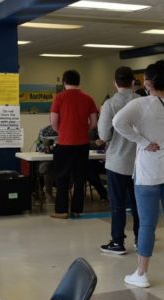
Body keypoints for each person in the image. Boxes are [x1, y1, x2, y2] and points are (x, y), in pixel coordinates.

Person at [113, 59, 164, 288]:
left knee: (147, 224)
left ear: (147, 82)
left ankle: (142, 273)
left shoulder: (141, 104)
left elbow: (118, 122)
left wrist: (142, 142)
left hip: (148, 171)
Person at [98, 66, 141, 255]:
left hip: (116, 162)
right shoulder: (143, 102)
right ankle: (141, 240)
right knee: (139, 203)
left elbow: (103, 134)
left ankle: (117, 242)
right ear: (133, 82)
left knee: (118, 204)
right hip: (140, 163)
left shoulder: (109, 105)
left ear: (115, 83)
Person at [49, 70, 98, 218]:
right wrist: (83, 130)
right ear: (79, 82)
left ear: (64, 82)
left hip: (64, 143)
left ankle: (62, 210)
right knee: (79, 178)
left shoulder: (59, 98)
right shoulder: (88, 99)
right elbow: (94, 123)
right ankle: (77, 209)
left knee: (62, 178)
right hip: (82, 144)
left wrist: (63, 131)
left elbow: (53, 123)